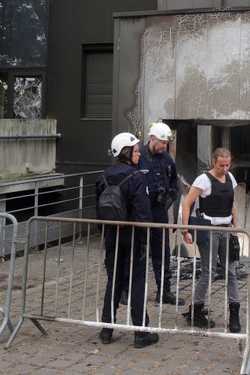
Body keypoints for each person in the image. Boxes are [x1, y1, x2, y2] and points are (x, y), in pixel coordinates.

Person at [96, 132, 159, 349]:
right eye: (135, 150)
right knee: (137, 281)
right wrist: (147, 236)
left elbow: (99, 209)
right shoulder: (136, 177)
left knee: (113, 281)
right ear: (125, 152)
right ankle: (140, 332)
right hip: (134, 237)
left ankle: (106, 329)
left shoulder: (104, 176)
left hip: (113, 236)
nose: (138, 152)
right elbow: (143, 212)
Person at [180, 147, 242, 332]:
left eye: (228, 165)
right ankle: (197, 311)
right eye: (221, 165)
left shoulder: (230, 178)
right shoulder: (203, 179)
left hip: (227, 229)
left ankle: (234, 313)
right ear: (214, 162)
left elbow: (232, 204)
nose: (225, 169)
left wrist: (236, 228)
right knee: (209, 272)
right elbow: (187, 203)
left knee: (231, 272)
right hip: (209, 230)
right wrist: (186, 230)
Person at [137, 121, 184, 306]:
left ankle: (164, 290)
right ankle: (127, 289)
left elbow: (174, 184)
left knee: (162, 253)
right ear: (153, 139)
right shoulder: (138, 156)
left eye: (167, 143)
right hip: (141, 212)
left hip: (159, 211)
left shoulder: (167, 159)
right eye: (163, 143)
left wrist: (169, 200)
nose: (165, 147)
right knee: (137, 251)